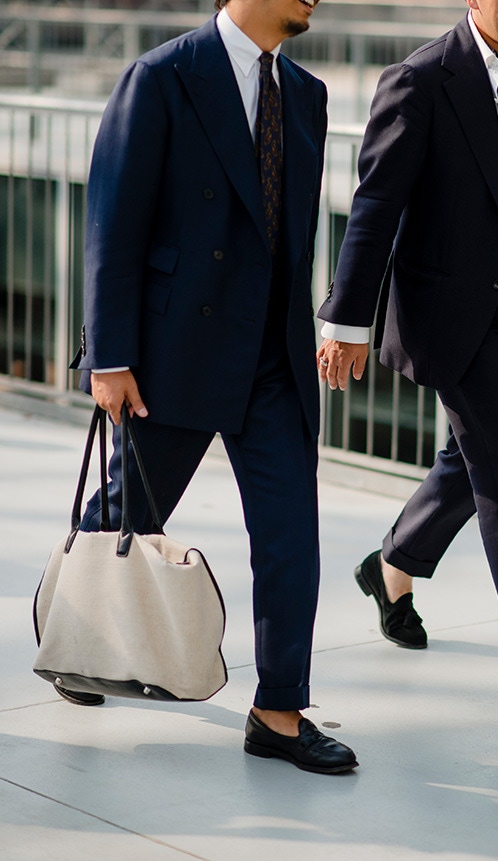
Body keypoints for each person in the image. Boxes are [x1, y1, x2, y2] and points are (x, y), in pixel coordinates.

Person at [66, 0, 358, 774]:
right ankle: (77, 631)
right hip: (174, 352)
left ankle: (280, 711)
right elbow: (113, 224)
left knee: (293, 534)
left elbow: (288, 242)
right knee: (129, 508)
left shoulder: (308, 95)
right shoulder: (162, 78)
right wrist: (111, 355)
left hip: (273, 357)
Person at [317, 0, 498, 726]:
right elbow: (376, 204)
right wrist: (347, 318)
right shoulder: (421, 80)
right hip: (457, 306)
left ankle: (391, 566)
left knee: (472, 458)